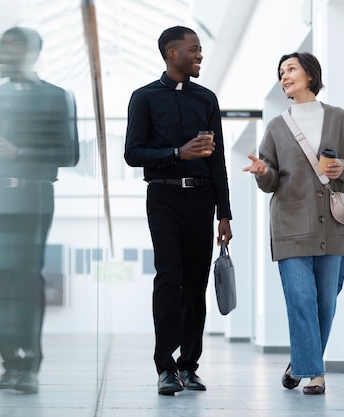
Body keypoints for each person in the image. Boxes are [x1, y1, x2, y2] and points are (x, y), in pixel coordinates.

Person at [242, 52, 344, 395]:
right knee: (300, 298)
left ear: (310, 74)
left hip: (334, 225)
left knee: (326, 300)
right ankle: (315, 374)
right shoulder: (277, 127)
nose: (284, 76)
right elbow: (270, 178)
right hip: (290, 225)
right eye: (281, 72)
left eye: (291, 69)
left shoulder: (339, 119)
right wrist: (262, 172)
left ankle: (301, 362)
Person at [0, 27, 79, 394]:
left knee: (27, 279)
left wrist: (18, 153)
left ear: (31, 52)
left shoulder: (57, 97)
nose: (0, 56)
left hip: (34, 198)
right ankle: (8, 364)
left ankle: (29, 365)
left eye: (7, 49)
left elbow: (69, 154)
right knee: (2, 280)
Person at [124, 26, 233, 396]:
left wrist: (225, 214)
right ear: (173, 53)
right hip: (163, 198)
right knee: (169, 278)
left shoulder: (207, 99)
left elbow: (217, 161)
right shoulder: (144, 98)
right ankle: (165, 367)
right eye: (194, 49)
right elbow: (132, 153)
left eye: (200, 49)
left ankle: (189, 365)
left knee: (197, 285)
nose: (200, 55)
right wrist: (177, 154)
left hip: (202, 201)